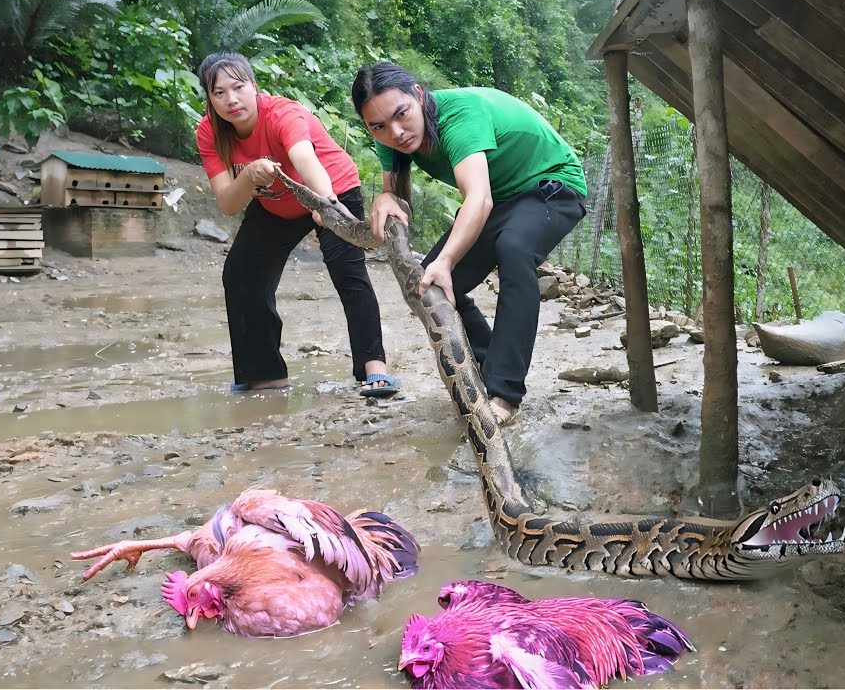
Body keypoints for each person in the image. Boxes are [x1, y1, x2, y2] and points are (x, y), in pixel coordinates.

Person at [351, 61, 587, 425]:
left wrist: (445, 260)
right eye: (378, 126)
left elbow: (478, 198)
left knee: (514, 248)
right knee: (427, 286)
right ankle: (488, 361)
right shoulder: (392, 137)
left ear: (418, 94)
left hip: (551, 187)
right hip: (501, 199)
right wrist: (383, 198)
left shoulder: (458, 116)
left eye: (403, 115)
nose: (396, 132)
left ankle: (505, 393)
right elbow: (397, 197)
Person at [195, 52, 399, 396]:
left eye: (239, 87)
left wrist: (324, 204)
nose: (231, 99)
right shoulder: (210, 133)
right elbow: (228, 203)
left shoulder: (282, 112)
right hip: (276, 202)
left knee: (346, 271)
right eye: (219, 93)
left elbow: (305, 159)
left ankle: (373, 368)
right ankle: (264, 374)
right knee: (241, 273)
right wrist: (248, 176)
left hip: (330, 187)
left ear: (254, 87)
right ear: (209, 98)